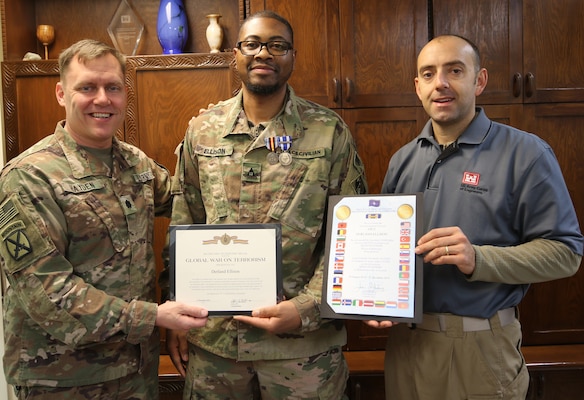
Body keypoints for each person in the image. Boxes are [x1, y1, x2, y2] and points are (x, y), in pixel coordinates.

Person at [164, 10, 367, 399]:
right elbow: (182, 220)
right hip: (216, 346)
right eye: (253, 44)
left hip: (302, 348)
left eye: (278, 46)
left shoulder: (328, 132)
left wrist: (306, 307)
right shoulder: (203, 130)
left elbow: (350, 236)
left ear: (292, 56)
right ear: (235, 55)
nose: (264, 54)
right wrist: (175, 311)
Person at [367, 34, 583, 399]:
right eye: (429, 73)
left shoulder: (525, 153)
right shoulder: (403, 160)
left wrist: (478, 258)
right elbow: (389, 251)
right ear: (417, 86)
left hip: (479, 348)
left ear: (478, 80)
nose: (441, 83)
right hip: (405, 346)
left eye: (455, 70)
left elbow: (566, 253)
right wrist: (378, 298)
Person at [0, 39, 209, 400]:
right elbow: (48, 295)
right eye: (87, 87)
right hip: (64, 379)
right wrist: (155, 317)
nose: (102, 99)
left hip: (136, 372)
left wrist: (202, 138)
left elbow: (188, 203)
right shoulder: (29, 177)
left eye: (112, 87)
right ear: (61, 94)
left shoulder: (135, 163)